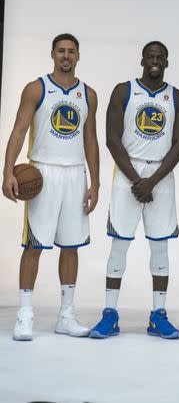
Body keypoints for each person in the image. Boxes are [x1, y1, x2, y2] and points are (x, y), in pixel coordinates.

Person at [2, 33, 99, 341]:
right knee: (34, 245)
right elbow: (18, 131)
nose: (66, 56)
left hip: (74, 174)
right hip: (41, 173)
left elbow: (91, 140)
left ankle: (66, 316)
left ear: (79, 56)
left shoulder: (89, 94)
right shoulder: (36, 88)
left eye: (71, 51)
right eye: (61, 51)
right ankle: (25, 314)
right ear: (52, 55)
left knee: (70, 246)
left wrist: (94, 182)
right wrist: (7, 172)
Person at [89, 41, 179, 339]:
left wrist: (152, 180)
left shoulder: (177, 97)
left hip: (161, 174)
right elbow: (111, 139)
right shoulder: (123, 90)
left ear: (167, 62)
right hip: (128, 173)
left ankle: (158, 314)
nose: (155, 61)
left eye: (160, 57)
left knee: (160, 246)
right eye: (150, 56)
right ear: (142, 60)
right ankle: (109, 313)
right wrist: (136, 180)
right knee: (119, 244)